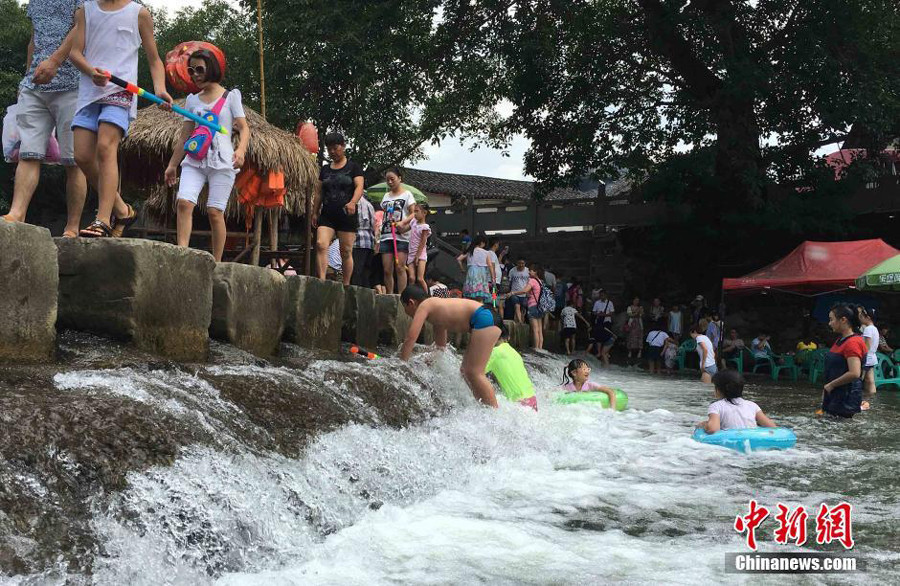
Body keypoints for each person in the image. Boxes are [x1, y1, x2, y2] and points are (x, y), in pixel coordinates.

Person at [70, 0, 172, 237]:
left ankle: (103, 219)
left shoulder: (139, 14)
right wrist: (90, 71)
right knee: (82, 156)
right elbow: (75, 53)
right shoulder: (85, 11)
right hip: (89, 93)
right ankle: (123, 210)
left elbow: (154, 59)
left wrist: (160, 89)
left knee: (106, 147)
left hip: (121, 90)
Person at [2, 0, 87, 238]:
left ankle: (72, 227)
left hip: (74, 84)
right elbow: (34, 39)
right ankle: (17, 213)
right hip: (35, 85)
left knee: (74, 159)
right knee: (28, 152)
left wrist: (55, 61)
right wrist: (26, 77)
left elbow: (82, 27)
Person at [165, 50, 249, 262]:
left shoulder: (231, 97)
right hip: (195, 159)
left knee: (214, 212)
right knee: (184, 202)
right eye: (191, 71)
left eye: (199, 69)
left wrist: (241, 150)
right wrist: (172, 165)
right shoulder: (192, 100)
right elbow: (185, 135)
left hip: (223, 161)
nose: (195, 75)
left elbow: (244, 128)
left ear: (211, 68)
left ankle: (217, 263)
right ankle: (182, 253)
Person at [400, 285, 502, 408]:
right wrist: (426, 360)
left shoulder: (425, 305)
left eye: (404, 307)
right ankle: (483, 406)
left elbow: (410, 338)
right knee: (466, 371)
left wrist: (402, 364)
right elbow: (440, 348)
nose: (405, 312)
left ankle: (494, 412)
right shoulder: (437, 312)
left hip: (484, 317)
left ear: (411, 303)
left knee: (474, 373)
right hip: (485, 317)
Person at [312, 133, 364, 285]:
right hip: (327, 214)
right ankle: (321, 280)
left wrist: (353, 202)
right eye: (329, 149)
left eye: (335, 148)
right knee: (321, 244)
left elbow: (359, 187)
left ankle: (346, 284)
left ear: (343, 146)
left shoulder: (354, 167)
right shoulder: (325, 169)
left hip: (347, 214)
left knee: (346, 251)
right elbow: (319, 192)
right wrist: (315, 212)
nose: (332, 152)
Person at [819, 304, 867, 418]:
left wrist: (830, 385)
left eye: (831, 319)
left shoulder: (853, 343)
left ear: (843, 320)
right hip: (835, 394)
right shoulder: (840, 340)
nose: (829, 323)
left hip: (846, 397)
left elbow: (854, 373)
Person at [695, 370, 776, 432]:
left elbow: (713, 429)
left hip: (730, 444)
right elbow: (772, 426)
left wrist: (704, 424)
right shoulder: (752, 405)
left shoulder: (716, 406)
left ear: (719, 390)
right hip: (752, 441)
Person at [378, 167, 416, 293]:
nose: (389, 182)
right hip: (386, 235)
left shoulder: (407, 194)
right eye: (387, 180)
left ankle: (401, 297)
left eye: (392, 179)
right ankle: (390, 295)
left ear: (400, 179)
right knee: (387, 269)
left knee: (400, 267)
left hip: (401, 236)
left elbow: (413, 213)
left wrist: (403, 222)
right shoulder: (385, 196)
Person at [485, 322, 538, 411]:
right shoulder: (514, 352)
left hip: (519, 402)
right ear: (508, 337)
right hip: (532, 398)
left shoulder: (495, 352)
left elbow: (476, 373)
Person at [509, 266, 545, 351]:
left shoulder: (532, 281)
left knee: (535, 330)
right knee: (540, 330)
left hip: (533, 306)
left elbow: (524, 291)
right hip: (539, 307)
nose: (529, 272)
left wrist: (513, 292)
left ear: (535, 272)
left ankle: (536, 349)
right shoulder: (540, 281)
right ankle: (540, 348)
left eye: (530, 271)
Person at [457, 234, 494, 303]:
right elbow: (490, 266)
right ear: (482, 242)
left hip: (471, 274)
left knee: (470, 298)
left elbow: (459, 259)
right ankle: (480, 311)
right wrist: (493, 278)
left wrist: (462, 269)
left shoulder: (470, 251)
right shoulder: (486, 252)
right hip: (481, 275)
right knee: (480, 298)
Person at [403, 203, 431, 293]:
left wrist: (418, 256)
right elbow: (404, 229)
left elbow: (423, 242)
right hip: (411, 253)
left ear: (424, 213)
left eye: (417, 211)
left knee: (420, 278)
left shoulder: (425, 227)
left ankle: (427, 296)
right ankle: (411, 295)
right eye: (414, 211)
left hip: (421, 254)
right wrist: (397, 225)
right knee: (411, 277)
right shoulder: (413, 222)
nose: (414, 213)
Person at [351, 193, 376, 287]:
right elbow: (374, 224)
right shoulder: (369, 205)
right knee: (366, 271)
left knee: (356, 269)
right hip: (369, 240)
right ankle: (366, 293)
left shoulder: (356, 203)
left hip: (358, 239)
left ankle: (355, 292)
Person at [858, 305, 880, 398]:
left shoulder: (868, 329)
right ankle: (872, 397)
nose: (860, 318)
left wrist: (861, 357)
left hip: (866, 357)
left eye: (862, 316)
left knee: (860, 378)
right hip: (872, 357)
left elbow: (866, 346)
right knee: (870, 380)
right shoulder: (874, 328)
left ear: (868, 318)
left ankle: (857, 396)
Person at [508, 258, 530, 323]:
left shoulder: (528, 271)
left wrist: (529, 291)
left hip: (524, 293)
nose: (521, 265)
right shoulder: (512, 271)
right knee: (517, 306)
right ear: (517, 263)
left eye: (522, 263)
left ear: (525, 263)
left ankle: (521, 323)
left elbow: (530, 282)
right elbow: (509, 282)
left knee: (523, 310)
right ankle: (520, 322)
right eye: (519, 263)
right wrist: (509, 291)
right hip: (514, 292)